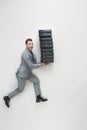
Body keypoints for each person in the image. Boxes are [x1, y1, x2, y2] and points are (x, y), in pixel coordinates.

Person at [3, 38, 48, 108]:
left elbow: (34, 62)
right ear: (26, 44)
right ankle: (7, 97)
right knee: (20, 89)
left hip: (28, 73)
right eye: (29, 44)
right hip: (21, 75)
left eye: (32, 44)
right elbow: (31, 65)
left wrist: (42, 61)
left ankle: (38, 97)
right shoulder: (25, 54)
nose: (31, 45)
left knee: (36, 81)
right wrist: (41, 65)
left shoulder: (31, 52)